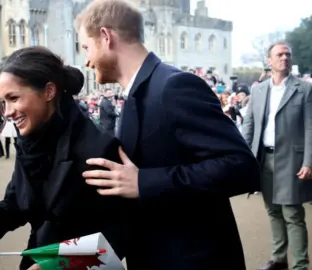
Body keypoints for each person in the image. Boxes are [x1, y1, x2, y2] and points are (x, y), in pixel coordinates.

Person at [75, 1, 260, 269]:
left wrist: (144, 182)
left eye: (86, 47)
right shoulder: (134, 94)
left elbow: (241, 167)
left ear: (106, 37)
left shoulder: (174, 86)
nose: (86, 60)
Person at [0, 47, 129, 270]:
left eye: (14, 98)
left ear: (49, 91)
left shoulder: (98, 149)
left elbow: (120, 232)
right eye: (4, 102)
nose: (8, 112)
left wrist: (60, 265)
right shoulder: (29, 142)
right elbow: (18, 203)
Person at [242, 42, 312, 270]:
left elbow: (311, 127)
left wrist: (309, 161)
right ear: (269, 61)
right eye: (279, 54)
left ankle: (300, 265)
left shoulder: (304, 89)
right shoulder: (258, 89)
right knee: (273, 210)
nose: (284, 57)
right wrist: (244, 156)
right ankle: (279, 258)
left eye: (287, 54)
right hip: (264, 159)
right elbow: (249, 125)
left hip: (292, 160)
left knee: (292, 214)